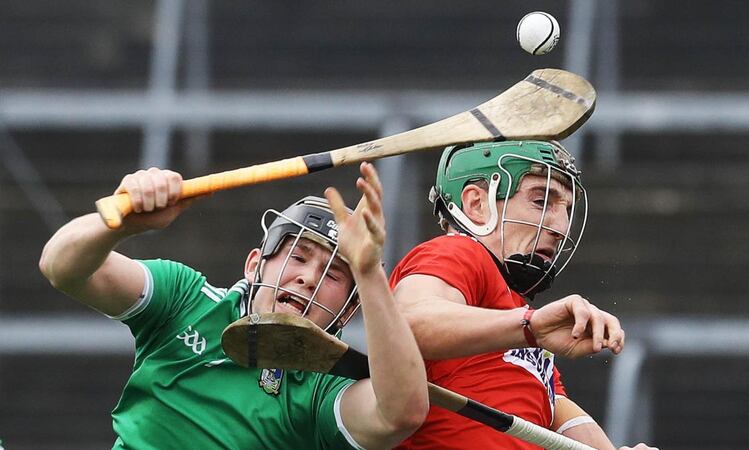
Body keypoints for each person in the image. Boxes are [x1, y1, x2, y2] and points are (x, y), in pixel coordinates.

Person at [39, 162, 429, 450]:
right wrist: (125, 223)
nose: (309, 277)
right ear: (254, 265)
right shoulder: (184, 299)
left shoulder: (322, 392)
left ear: (346, 313)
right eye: (297, 256)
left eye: (334, 275)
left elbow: (401, 414)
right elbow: (61, 267)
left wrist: (368, 272)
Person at [390, 140, 656, 450]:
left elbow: (556, 409)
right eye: (542, 201)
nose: (561, 226)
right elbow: (406, 324)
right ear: (477, 203)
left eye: (567, 209)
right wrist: (530, 326)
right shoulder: (457, 252)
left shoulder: (512, 312)